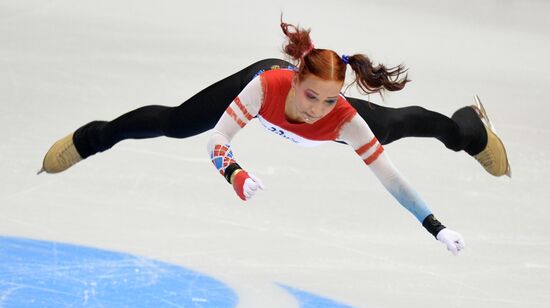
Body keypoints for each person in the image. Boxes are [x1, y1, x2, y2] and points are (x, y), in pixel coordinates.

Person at [38, 21, 511, 255]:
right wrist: (234, 173)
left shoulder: (343, 120)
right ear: (296, 78)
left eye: (328, 101)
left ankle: (465, 130)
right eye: (311, 96)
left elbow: (392, 181)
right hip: (259, 94)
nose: (316, 109)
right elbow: (217, 140)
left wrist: (436, 226)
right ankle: (92, 139)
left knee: (398, 125)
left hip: (349, 122)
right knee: (178, 121)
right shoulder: (268, 86)